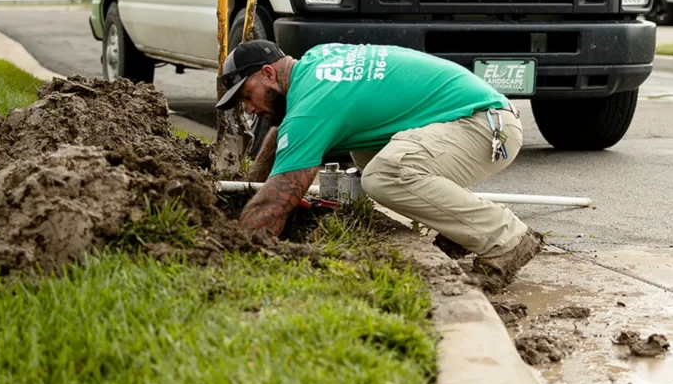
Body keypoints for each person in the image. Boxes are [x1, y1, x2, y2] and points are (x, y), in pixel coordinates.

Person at [216, 39, 544, 289]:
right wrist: (248, 189)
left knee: (384, 175)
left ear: (268, 73)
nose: (247, 109)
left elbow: (278, 199)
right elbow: (283, 137)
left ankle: (506, 238)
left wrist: (236, 253)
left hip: (484, 127)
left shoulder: (312, 105)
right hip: (476, 120)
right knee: (367, 152)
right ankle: (461, 229)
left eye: (246, 96)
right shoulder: (317, 63)